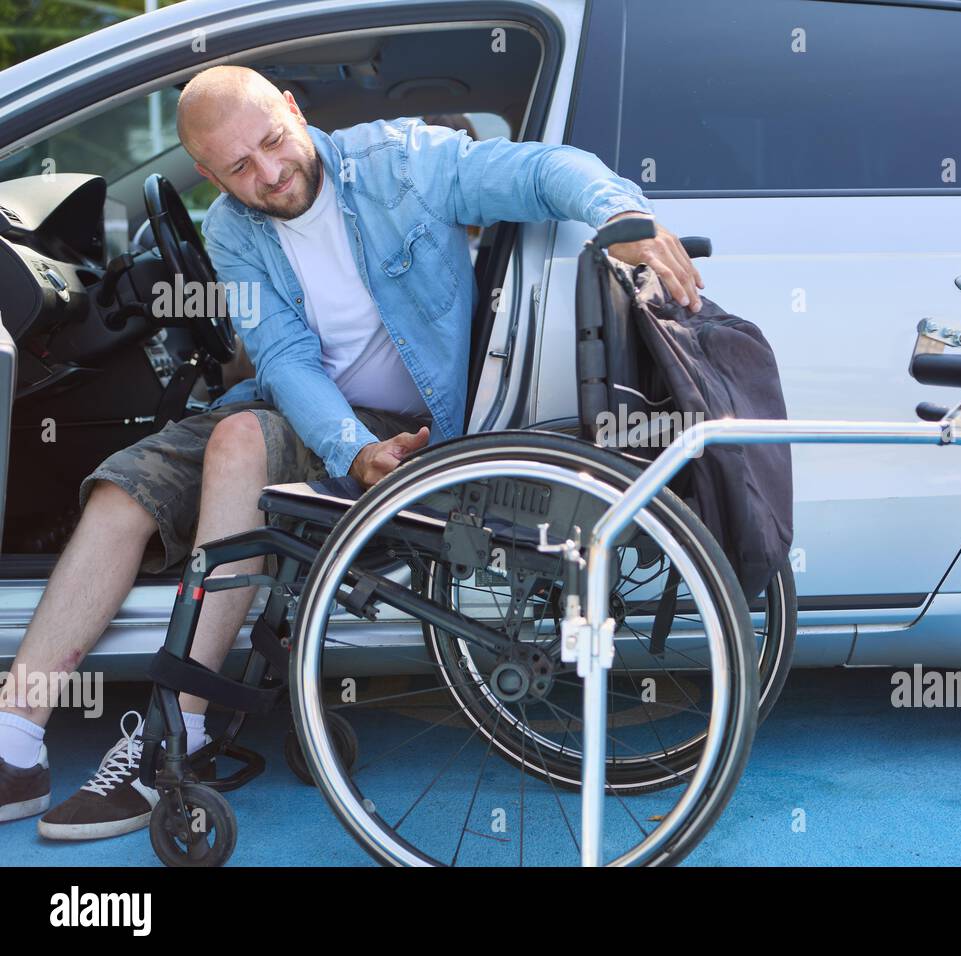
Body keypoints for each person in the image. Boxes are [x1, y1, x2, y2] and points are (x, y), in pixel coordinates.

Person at [0, 64, 703, 841]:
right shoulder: (233, 231)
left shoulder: (402, 162)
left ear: (294, 111)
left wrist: (621, 214)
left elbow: (539, 169)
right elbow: (286, 359)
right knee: (122, 490)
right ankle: (15, 741)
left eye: (273, 142)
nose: (269, 173)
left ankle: (182, 728)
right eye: (239, 167)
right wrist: (352, 448)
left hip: (412, 421)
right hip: (308, 410)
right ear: (206, 174)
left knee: (238, 441)